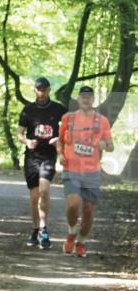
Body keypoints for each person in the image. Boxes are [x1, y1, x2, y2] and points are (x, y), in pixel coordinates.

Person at [57, 86, 114, 257]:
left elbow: (111, 146)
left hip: (92, 172)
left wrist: (105, 145)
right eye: (83, 97)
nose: (86, 99)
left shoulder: (102, 121)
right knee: (73, 204)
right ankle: (71, 231)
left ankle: (80, 242)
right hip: (71, 169)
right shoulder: (68, 118)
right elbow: (59, 141)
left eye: (89, 97)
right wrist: (60, 154)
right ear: (78, 99)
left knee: (88, 210)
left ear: (93, 99)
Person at [17, 77, 66, 248]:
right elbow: (20, 134)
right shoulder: (28, 110)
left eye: (45, 89)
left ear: (49, 90)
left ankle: (44, 229)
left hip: (48, 156)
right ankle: (35, 229)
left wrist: (59, 140)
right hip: (32, 157)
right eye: (39, 89)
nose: (42, 92)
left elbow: (68, 131)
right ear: (35, 90)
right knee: (34, 197)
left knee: (44, 191)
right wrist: (27, 142)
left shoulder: (59, 109)